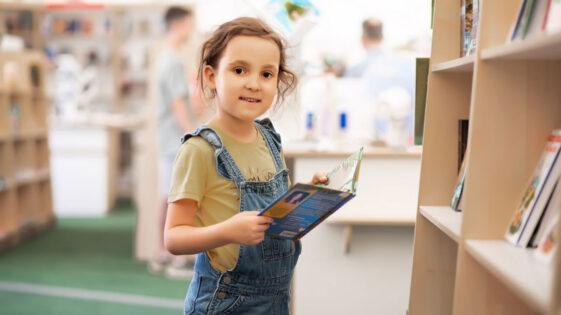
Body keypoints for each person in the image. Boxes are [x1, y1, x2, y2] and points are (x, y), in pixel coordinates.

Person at [164, 17, 328, 314]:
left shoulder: (270, 140)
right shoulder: (199, 150)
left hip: (277, 298)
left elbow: (276, 224)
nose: (254, 83)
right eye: (239, 70)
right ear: (212, 76)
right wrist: (228, 231)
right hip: (225, 302)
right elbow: (174, 238)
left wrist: (308, 201)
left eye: (267, 74)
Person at [150, 6, 197, 279]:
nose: (193, 30)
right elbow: (178, 104)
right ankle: (174, 260)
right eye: (191, 24)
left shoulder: (166, 59)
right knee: (173, 199)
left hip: (167, 138)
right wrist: (193, 137)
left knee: (166, 196)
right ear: (179, 25)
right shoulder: (171, 61)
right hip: (173, 140)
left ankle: (162, 254)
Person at [345, 18, 415, 146]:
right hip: (407, 141)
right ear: (382, 37)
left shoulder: (360, 69)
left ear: (363, 38)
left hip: (373, 141)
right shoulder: (405, 65)